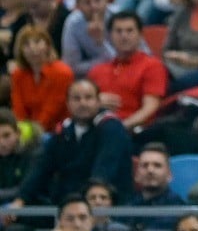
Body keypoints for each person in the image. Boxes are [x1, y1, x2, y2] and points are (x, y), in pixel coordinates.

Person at [10, 78, 132, 206]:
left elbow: (104, 170)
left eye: (88, 98)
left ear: (98, 102)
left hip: (106, 204)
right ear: (68, 103)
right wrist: (21, 199)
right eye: (76, 99)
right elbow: (42, 167)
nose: (83, 103)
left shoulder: (111, 127)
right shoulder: (64, 130)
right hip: (66, 204)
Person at [89, 11, 167, 131]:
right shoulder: (97, 70)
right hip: (96, 129)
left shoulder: (152, 66)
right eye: (118, 31)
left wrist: (121, 128)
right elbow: (80, 104)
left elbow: (150, 108)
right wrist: (94, 101)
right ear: (110, 36)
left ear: (140, 35)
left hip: (133, 131)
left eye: (129, 31)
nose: (124, 36)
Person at [10, 24, 74, 133]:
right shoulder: (18, 74)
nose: (33, 48)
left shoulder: (62, 72)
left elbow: (51, 111)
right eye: (26, 44)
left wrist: (33, 133)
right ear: (20, 50)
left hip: (58, 130)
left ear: (48, 45)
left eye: (37, 42)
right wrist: (23, 131)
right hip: (27, 131)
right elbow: (18, 109)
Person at [60, 0, 117, 78]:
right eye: (87, 2)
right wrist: (105, 63)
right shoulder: (73, 23)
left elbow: (141, 55)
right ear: (78, 5)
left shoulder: (120, 17)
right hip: (90, 77)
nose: (93, 6)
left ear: (107, 0)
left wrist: (101, 42)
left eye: (97, 0)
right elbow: (72, 66)